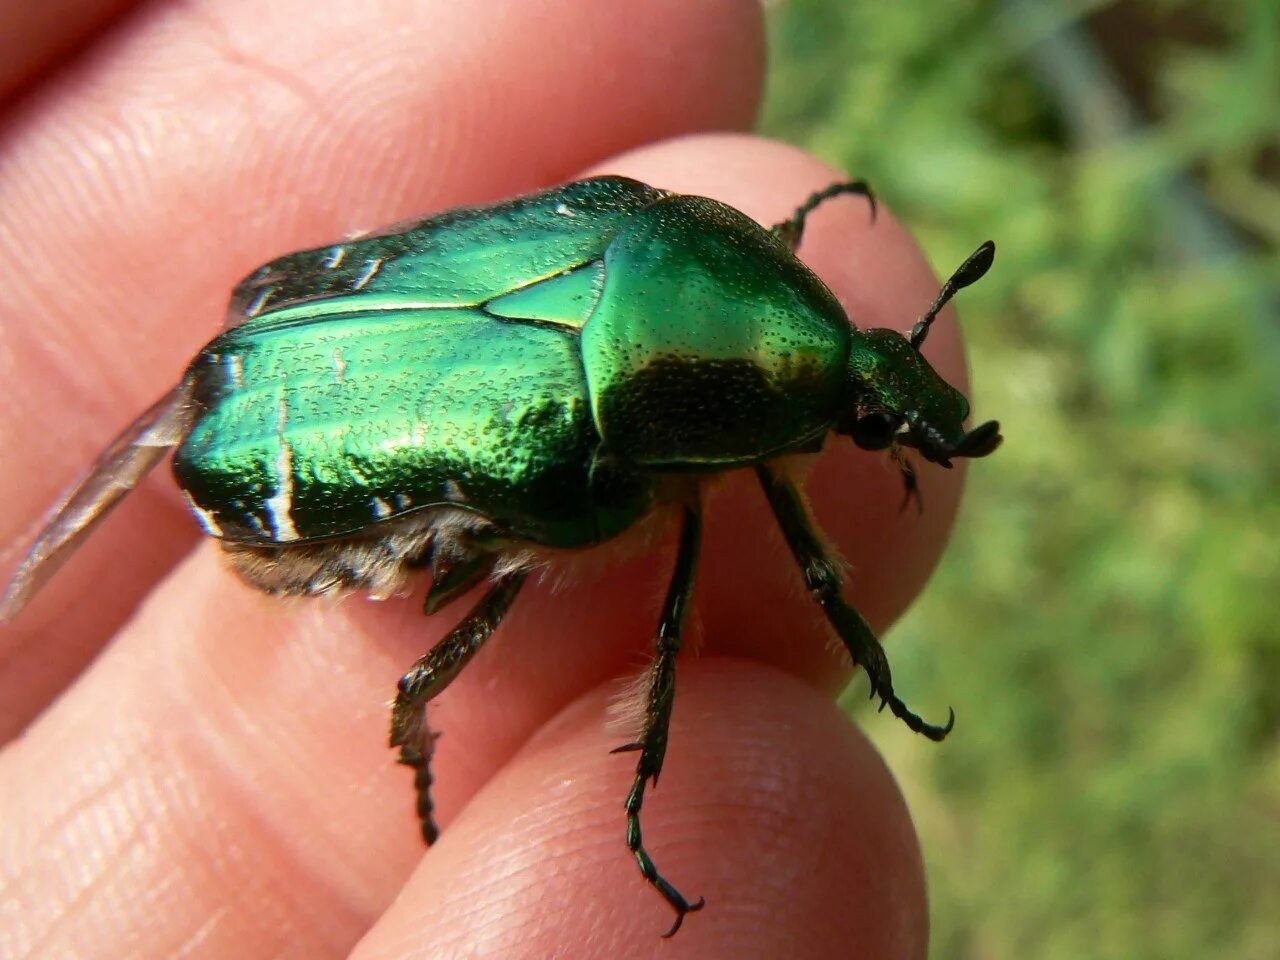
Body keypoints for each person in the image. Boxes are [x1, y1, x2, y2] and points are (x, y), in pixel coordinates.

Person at [0, 2, 974, 956]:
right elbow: (783, 591)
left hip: (286, 339)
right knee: (540, 618)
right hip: (278, 450)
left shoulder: (677, 251)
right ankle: (416, 727)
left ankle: (430, 730)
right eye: (870, 419)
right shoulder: (634, 435)